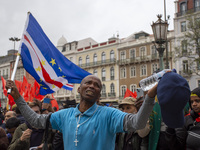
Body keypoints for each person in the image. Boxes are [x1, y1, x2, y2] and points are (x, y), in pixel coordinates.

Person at [6, 75, 157, 150]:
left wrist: (150, 97)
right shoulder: (65, 115)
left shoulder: (109, 114)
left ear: (99, 94)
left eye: (96, 85)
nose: (92, 86)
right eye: (88, 83)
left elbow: (138, 122)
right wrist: (18, 97)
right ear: (79, 89)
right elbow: (35, 121)